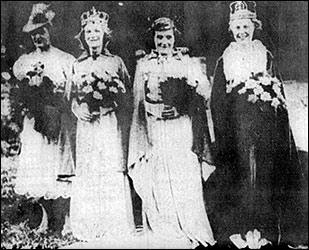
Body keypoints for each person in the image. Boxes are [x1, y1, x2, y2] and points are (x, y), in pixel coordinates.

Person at [209, 1, 308, 248]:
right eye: (238, 27)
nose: (242, 31)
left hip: (264, 128)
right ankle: (240, 230)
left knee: (263, 179)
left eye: (247, 26)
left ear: (254, 27)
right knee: (239, 177)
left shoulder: (264, 54)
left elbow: (277, 92)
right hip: (236, 129)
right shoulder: (226, 57)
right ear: (231, 30)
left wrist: (270, 117)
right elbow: (217, 98)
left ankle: (264, 232)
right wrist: (225, 126)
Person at [128, 17, 216, 248]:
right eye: (159, 38)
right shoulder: (145, 65)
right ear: (154, 39)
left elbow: (205, 93)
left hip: (181, 127)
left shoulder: (188, 63)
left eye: (168, 37)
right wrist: (155, 108)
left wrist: (185, 101)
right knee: (161, 175)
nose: (164, 42)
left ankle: (190, 224)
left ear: (175, 37)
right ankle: (165, 226)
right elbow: (137, 102)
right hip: (157, 128)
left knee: (184, 172)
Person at [67, 7, 135, 242]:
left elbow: (128, 98)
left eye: (97, 31)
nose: (92, 35)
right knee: (90, 166)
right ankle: (89, 224)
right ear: (83, 37)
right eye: (88, 32)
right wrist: (78, 110)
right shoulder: (78, 64)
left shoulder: (116, 62)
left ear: (105, 34)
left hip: (108, 124)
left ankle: (113, 224)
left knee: (108, 165)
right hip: (87, 127)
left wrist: (110, 104)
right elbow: (71, 98)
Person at [12, 3, 76, 234]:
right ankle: (46, 219)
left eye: (43, 31)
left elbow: (70, 95)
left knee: (59, 166)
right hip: (35, 123)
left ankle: (68, 220)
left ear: (51, 31)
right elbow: (20, 94)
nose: (38, 36)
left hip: (58, 121)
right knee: (38, 167)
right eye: (34, 33)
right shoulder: (24, 62)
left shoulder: (65, 60)